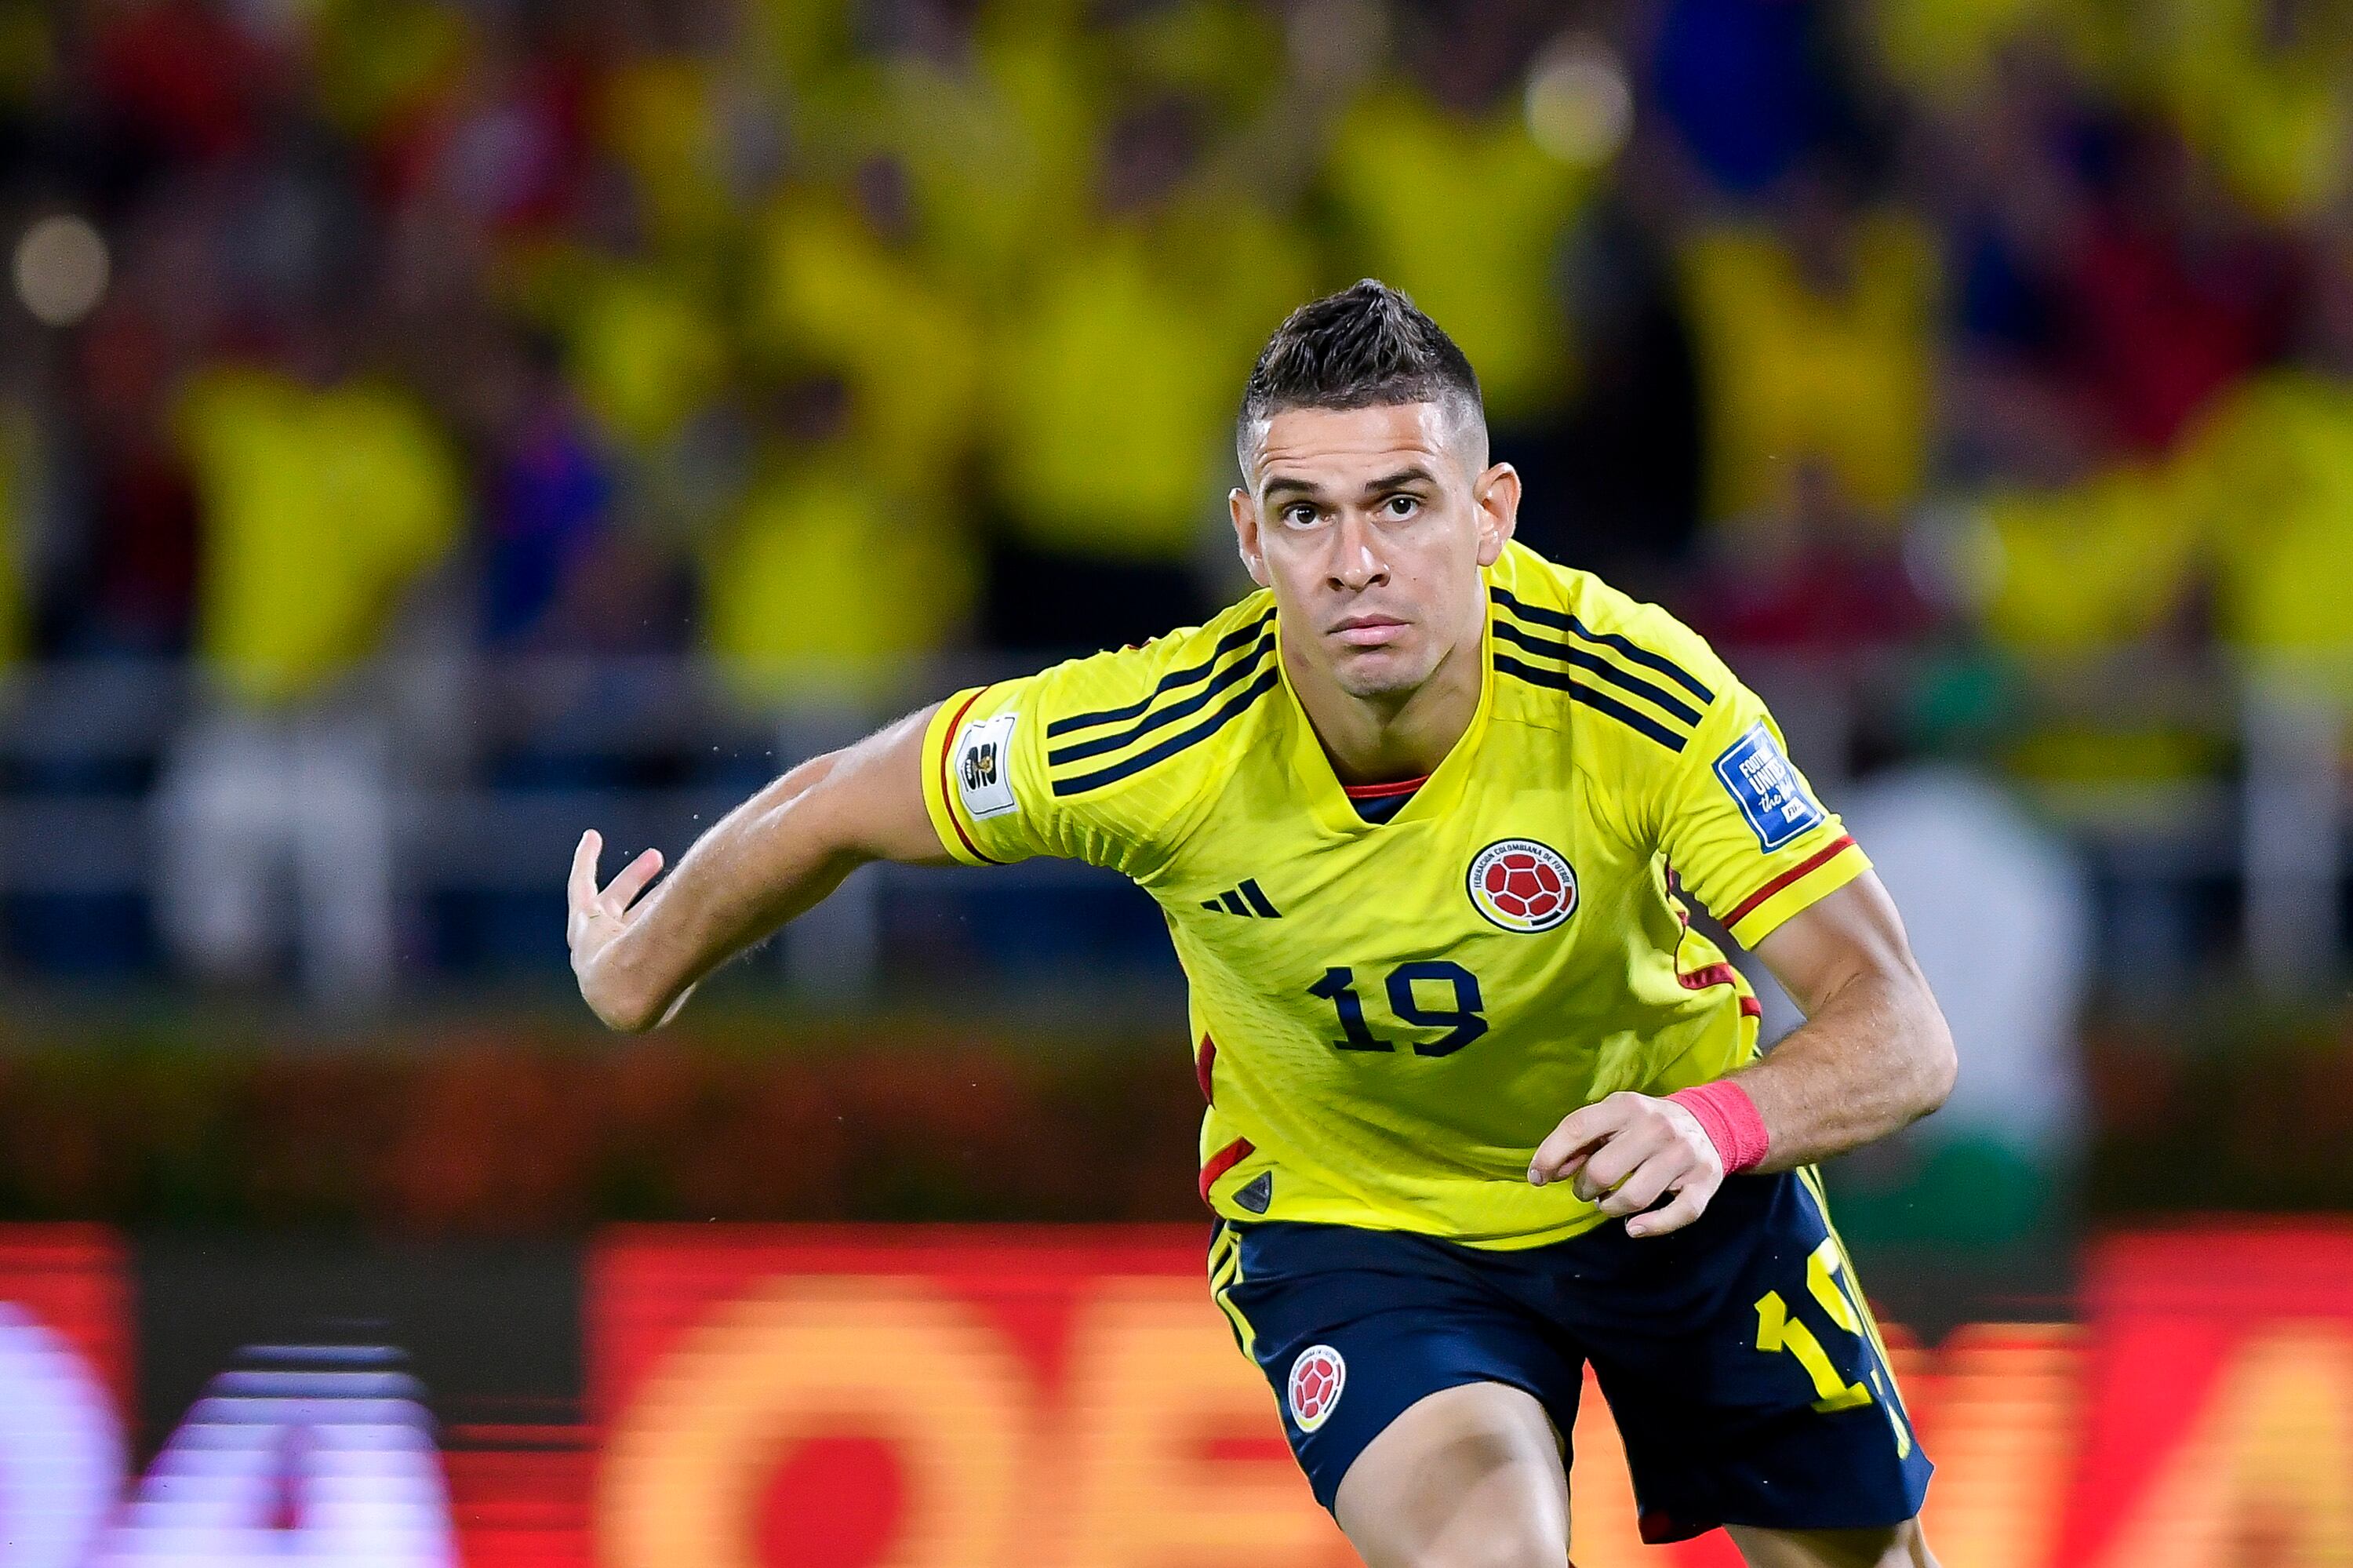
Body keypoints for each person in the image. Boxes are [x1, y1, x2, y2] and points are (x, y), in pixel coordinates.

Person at [563, 281, 1955, 1568]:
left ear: (1493, 513)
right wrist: (640, 964)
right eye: (1306, 513)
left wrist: (1714, 1124)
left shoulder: (1640, 699)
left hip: (1679, 1199)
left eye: (1404, 504)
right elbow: (834, 802)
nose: (1356, 562)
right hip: (1369, 1236)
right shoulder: (1151, 737)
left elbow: (1903, 1030)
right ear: (1247, 536)